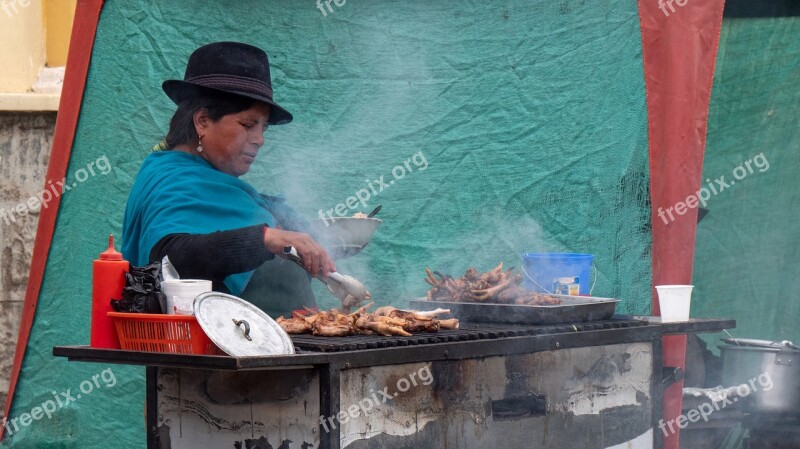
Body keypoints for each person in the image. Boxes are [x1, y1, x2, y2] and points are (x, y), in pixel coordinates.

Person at [122, 42, 335, 318]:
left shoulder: (222, 187)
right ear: (202, 121)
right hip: (199, 356)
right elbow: (169, 257)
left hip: (269, 351)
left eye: (263, 128)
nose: (259, 139)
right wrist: (265, 240)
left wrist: (325, 238)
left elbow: (264, 225)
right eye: (248, 125)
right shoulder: (170, 180)